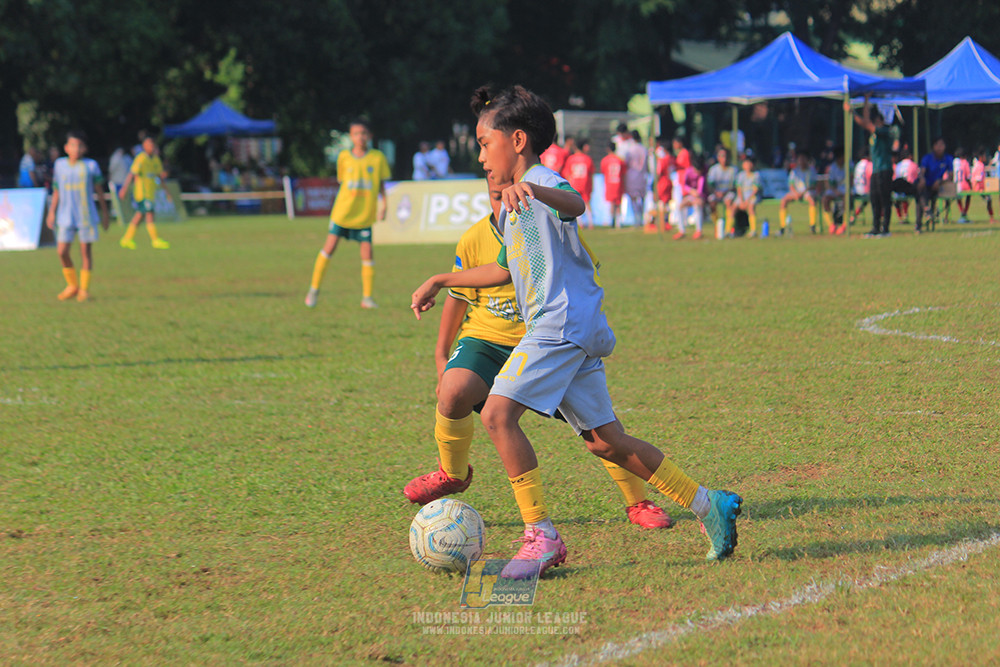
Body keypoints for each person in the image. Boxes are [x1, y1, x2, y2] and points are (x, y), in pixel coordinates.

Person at [411, 85, 743, 576]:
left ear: (518, 140)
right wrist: (443, 278)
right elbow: (502, 269)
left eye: (485, 143)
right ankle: (707, 504)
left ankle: (541, 536)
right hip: (571, 326)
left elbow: (576, 203)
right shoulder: (512, 201)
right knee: (606, 442)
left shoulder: (541, 180)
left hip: (558, 323)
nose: (481, 155)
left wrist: (534, 190)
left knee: (498, 415)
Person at [403, 178, 674, 530]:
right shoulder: (473, 239)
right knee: (453, 391)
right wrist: (441, 356)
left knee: (601, 433)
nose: (504, 205)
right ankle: (451, 474)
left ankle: (638, 502)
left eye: (509, 195)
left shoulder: (548, 234)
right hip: (486, 340)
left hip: (544, 341)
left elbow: (583, 280)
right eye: (496, 197)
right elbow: (459, 295)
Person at [305, 118, 390, 309]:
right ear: (351, 137)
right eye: (356, 134)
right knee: (329, 249)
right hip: (343, 213)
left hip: (364, 215)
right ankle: (314, 290)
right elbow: (342, 180)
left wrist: (384, 203)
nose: (360, 137)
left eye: (364, 133)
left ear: (370, 136)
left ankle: (367, 298)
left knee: (367, 254)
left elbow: (381, 184)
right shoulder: (344, 157)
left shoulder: (377, 158)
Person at [45, 130, 109, 302]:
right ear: (66, 148)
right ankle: (72, 285)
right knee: (62, 251)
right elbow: (57, 190)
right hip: (65, 215)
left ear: (85, 148)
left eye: (80, 145)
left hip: (86, 215)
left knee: (85, 252)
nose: (76, 149)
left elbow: (99, 191)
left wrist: (105, 213)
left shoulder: (91, 166)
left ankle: (84, 289)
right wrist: (51, 211)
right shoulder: (60, 165)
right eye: (73, 145)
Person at [118, 136, 171, 250]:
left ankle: (127, 238)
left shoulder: (156, 159)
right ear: (144, 147)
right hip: (142, 193)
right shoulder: (141, 158)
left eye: (152, 145)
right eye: (148, 145)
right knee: (150, 214)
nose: (151, 147)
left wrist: (167, 192)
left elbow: (160, 177)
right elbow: (131, 174)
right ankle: (155, 240)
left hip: (150, 193)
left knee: (139, 215)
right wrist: (124, 189)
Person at [853, 96, 893, 237]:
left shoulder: (884, 131)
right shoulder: (874, 134)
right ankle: (875, 228)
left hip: (885, 169)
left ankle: (885, 229)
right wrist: (865, 102)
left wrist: (853, 112)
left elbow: (866, 123)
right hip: (876, 170)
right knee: (874, 198)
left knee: (885, 199)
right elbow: (866, 122)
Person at [918, 136, 953, 233]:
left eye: (942, 145)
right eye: (938, 145)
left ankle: (929, 214)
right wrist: (922, 179)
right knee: (921, 193)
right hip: (926, 185)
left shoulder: (948, 159)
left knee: (929, 198)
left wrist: (940, 181)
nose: (940, 148)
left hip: (938, 186)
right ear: (933, 147)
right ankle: (921, 219)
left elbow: (950, 176)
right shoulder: (927, 158)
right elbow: (922, 173)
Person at [779, 151, 818, 235]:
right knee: (784, 201)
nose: (802, 161)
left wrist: (802, 193)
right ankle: (783, 226)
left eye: (804, 159)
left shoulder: (811, 171)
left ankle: (812, 225)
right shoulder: (794, 171)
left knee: (812, 201)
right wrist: (796, 193)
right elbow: (791, 185)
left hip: (807, 192)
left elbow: (813, 185)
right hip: (796, 192)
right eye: (800, 159)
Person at [562, 137, 595, 229]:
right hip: (585, 183)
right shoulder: (587, 159)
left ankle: (580, 223)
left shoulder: (571, 159)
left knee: (575, 203)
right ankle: (591, 223)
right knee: (587, 203)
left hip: (574, 184)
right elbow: (591, 173)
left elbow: (567, 174)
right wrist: (592, 185)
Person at [706, 148, 737, 235]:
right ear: (718, 158)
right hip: (716, 193)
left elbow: (735, 186)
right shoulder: (714, 170)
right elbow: (709, 185)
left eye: (726, 156)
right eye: (722, 156)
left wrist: (724, 193)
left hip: (728, 192)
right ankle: (717, 225)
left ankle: (728, 229)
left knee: (729, 201)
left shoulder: (733, 170)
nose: (724, 159)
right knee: (711, 202)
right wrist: (716, 192)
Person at [599, 143, 625, 228]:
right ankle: (618, 222)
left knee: (611, 203)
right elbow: (623, 172)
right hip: (618, 182)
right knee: (618, 202)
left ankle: (611, 220)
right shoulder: (620, 160)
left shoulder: (605, 160)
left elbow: (603, 171)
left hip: (609, 183)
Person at [733, 155, 760, 237]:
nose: (748, 165)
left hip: (751, 197)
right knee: (733, 207)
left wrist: (747, 201)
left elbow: (755, 190)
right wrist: (741, 201)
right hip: (742, 197)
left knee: (751, 207)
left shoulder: (756, 175)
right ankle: (729, 230)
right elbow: (739, 189)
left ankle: (753, 230)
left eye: (749, 163)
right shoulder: (741, 175)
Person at [821, 150, 847, 235]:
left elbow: (851, 180)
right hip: (835, 190)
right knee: (825, 199)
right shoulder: (832, 168)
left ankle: (844, 224)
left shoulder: (848, 166)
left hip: (845, 189)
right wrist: (835, 191)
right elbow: (830, 183)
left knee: (846, 199)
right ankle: (831, 224)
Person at [892, 148, 919, 224]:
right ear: (910, 156)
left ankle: (900, 217)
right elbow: (915, 178)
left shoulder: (898, 165)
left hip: (897, 190)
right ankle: (906, 215)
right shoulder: (913, 164)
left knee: (898, 200)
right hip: (907, 189)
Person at [971, 146, 996, 224]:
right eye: (984, 155)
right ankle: (991, 218)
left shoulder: (977, 164)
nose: (986, 157)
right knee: (989, 200)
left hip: (977, 187)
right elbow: (978, 178)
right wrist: (976, 188)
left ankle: (991, 217)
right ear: (981, 157)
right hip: (979, 188)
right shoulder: (980, 165)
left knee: (989, 200)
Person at [850, 151, 873, 226]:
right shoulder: (869, 164)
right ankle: (881, 218)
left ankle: (854, 216)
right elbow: (871, 177)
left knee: (864, 202)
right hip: (865, 190)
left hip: (856, 190)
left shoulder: (858, 164)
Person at [950, 147, 972, 223]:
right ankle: (964, 212)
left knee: (958, 198)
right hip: (964, 184)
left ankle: (962, 211)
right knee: (969, 195)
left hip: (956, 184)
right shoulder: (965, 162)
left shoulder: (955, 163)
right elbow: (968, 176)